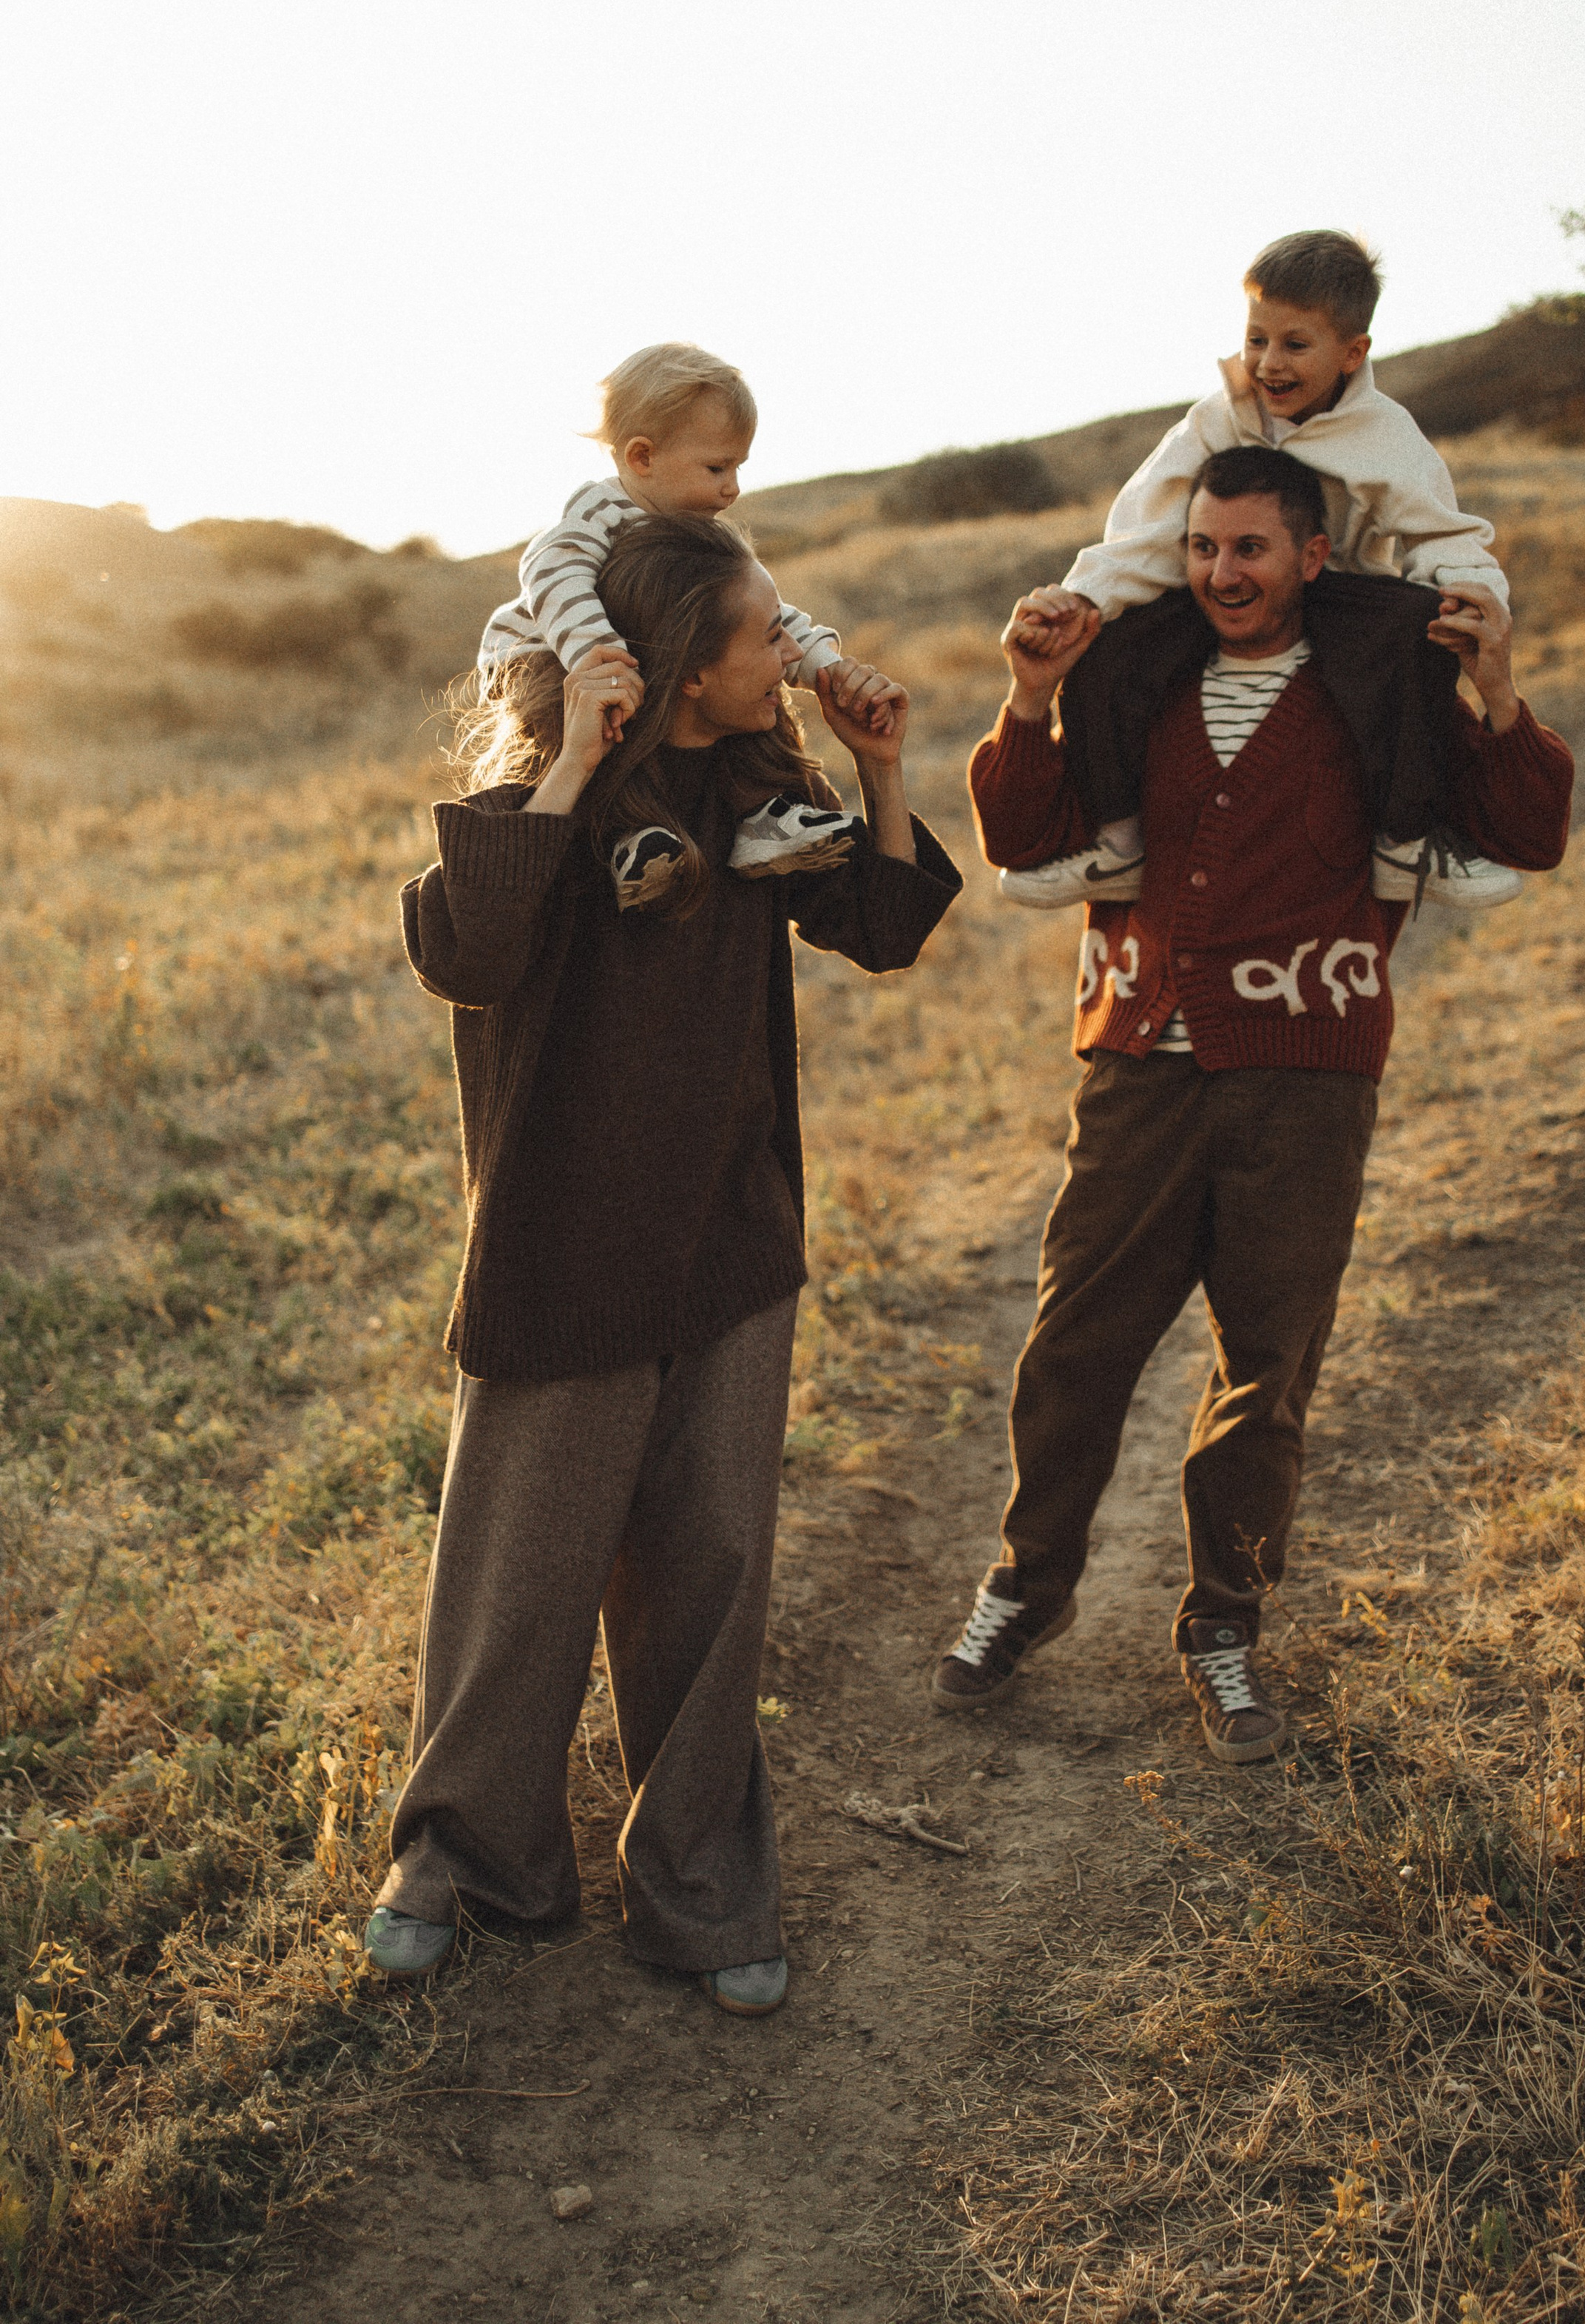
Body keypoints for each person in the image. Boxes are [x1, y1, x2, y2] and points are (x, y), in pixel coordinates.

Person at [368, 514, 960, 2010]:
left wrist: (877, 764)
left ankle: (700, 1888)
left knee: (709, 1574)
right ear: (688, 671)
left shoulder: (759, 792)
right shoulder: (543, 808)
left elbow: (880, 925)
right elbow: (465, 954)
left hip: (727, 1247)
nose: (793, 651)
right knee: (520, 1587)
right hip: (560, 1251)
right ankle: (463, 1861)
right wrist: (568, 756)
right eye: (768, 636)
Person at [932, 446, 1572, 1763]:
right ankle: (1026, 1587)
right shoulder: (1137, 672)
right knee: (1074, 1348)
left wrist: (1498, 688)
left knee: (1265, 1366)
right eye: (1206, 548)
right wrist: (1031, 697)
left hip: (1307, 1075)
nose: (1224, 573)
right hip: (1139, 1061)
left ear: (1311, 558)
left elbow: (1527, 829)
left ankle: (1225, 1626)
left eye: (1252, 550)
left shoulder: (1381, 685)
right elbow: (1019, 833)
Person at [998, 231, 1522, 914]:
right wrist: (1086, 596)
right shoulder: (1219, 418)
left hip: (1334, 592)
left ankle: (1405, 841)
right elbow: (1152, 525)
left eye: (1295, 345)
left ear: (1352, 353)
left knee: (1416, 632)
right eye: (1256, 340)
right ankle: (1118, 842)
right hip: (1220, 586)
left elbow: (1439, 531)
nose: (1268, 363)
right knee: (1110, 644)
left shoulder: (1386, 433)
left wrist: (1470, 592)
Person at [480, 340, 898, 902]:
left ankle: (762, 824)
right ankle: (630, 842)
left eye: (738, 467)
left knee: (735, 677)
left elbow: (758, 616)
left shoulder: (696, 542)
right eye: (717, 467)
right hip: (540, 660)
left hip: (624, 663)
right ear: (642, 458)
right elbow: (553, 577)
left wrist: (822, 664)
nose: (733, 487)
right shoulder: (601, 514)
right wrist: (597, 655)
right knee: (600, 727)